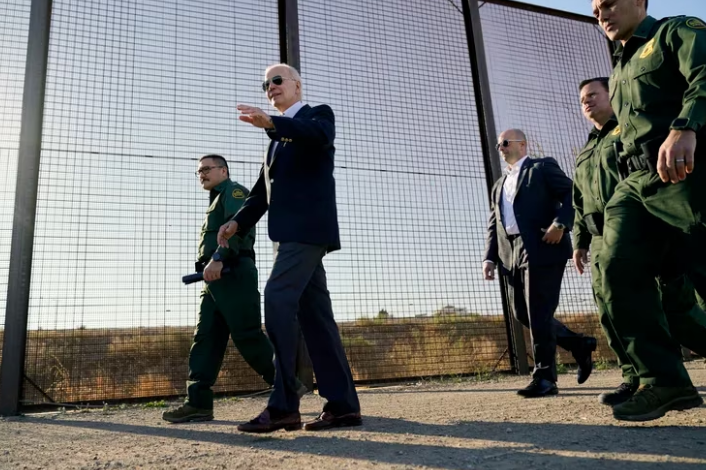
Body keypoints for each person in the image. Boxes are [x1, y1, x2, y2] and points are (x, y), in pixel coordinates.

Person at [217, 63, 361, 433]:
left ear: (297, 85)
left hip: (308, 232)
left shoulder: (316, 116)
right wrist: (237, 222)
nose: (270, 87)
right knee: (317, 319)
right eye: (266, 84)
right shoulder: (276, 144)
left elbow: (316, 135)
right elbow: (261, 193)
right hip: (291, 235)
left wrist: (271, 124)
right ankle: (343, 405)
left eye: (277, 80)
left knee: (277, 299)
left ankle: (284, 405)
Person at [591, 0, 706, 421]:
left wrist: (686, 125)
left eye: (609, 4)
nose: (601, 14)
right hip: (636, 184)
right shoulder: (619, 68)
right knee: (616, 269)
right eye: (595, 9)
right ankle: (665, 381)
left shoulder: (676, 31)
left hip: (686, 172)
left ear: (639, 1)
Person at [572, 77, 706, 407]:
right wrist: (580, 242)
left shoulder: (628, 135)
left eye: (593, 95)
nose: (586, 102)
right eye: (582, 100)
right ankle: (636, 377)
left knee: (674, 307)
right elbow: (579, 201)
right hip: (602, 237)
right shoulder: (586, 149)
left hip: (636, 230)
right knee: (611, 311)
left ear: (612, 97)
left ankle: (667, 376)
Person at [162, 155, 281, 423]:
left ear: (223, 171)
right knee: (205, 337)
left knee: (247, 335)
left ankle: (288, 386)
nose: (201, 174)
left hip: (232, 270)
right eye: (199, 171)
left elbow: (239, 228)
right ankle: (198, 402)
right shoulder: (215, 199)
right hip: (213, 277)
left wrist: (219, 258)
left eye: (206, 169)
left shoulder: (234, 191)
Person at [483, 129, 597, 398]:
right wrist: (490, 256)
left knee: (538, 312)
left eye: (506, 142)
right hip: (509, 252)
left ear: (522, 145)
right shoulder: (499, 184)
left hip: (543, 245)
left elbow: (572, 193)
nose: (501, 147)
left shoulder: (542, 166)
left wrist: (560, 223)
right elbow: (494, 222)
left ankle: (545, 378)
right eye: (499, 143)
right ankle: (579, 344)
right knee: (522, 313)